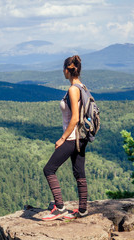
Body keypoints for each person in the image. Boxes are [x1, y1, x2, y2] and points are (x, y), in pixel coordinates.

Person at [42, 55, 88, 221]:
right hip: (82, 137)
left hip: (72, 138)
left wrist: (62, 138)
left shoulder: (73, 90)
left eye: (63, 69)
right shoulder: (83, 87)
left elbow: (75, 118)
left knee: (49, 169)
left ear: (68, 70)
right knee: (79, 172)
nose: (62, 71)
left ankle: (60, 207)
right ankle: (82, 210)